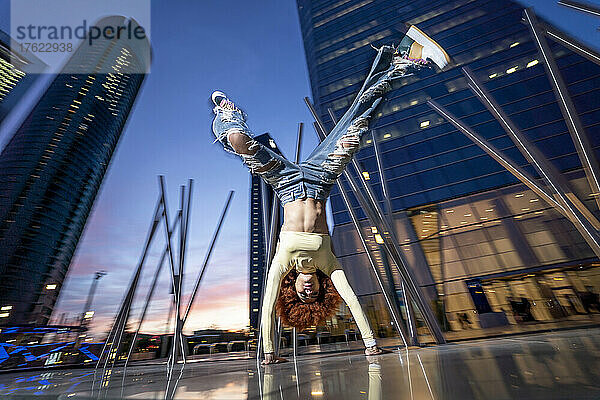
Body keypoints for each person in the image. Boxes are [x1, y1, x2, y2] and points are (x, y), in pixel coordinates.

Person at [210, 25, 450, 365]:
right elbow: (351, 298)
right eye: (314, 294)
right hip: (322, 179)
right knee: (359, 122)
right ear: (322, 289)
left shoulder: (283, 264)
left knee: (238, 142)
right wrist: (370, 345)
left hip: (286, 183)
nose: (309, 291)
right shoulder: (329, 264)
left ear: (292, 289)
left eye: (302, 294)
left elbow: (266, 304)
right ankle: (402, 58)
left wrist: (267, 352)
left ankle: (228, 116)